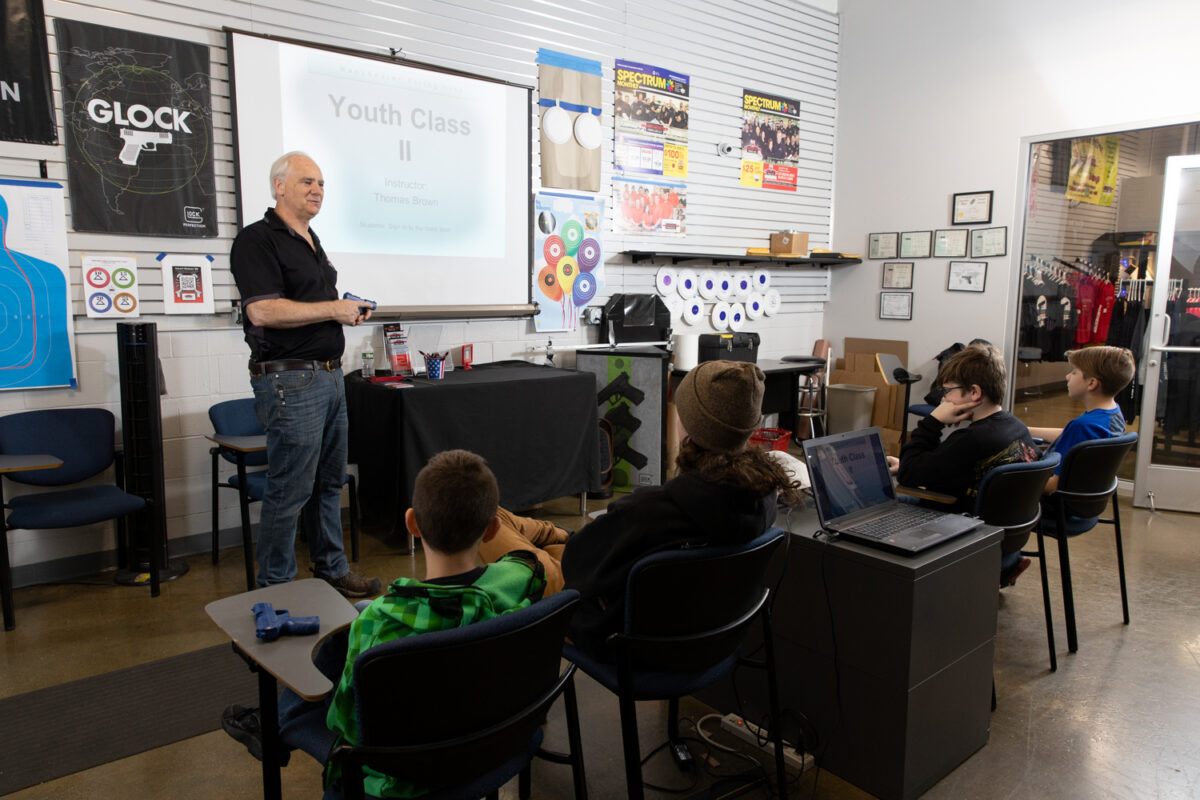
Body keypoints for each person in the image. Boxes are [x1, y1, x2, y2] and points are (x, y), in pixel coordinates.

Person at [223, 450, 547, 799]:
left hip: (402, 779)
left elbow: (348, 725)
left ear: (412, 524)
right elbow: (525, 561)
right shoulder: (519, 580)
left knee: (355, 625)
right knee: (360, 614)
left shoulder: (379, 625)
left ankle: (274, 724)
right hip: (495, 748)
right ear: (492, 529)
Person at [478, 359, 802, 657]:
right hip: (706, 639)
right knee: (526, 527)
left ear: (689, 424)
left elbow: (578, 566)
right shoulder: (762, 498)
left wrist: (567, 542)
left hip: (620, 637)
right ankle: (546, 531)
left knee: (485, 524)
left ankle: (527, 529)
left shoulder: (652, 511)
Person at [230, 151, 380, 596]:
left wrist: (344, 311)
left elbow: (307, 307)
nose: (316, 190)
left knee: (329, 482)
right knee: (290, 488)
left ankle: (331, 568)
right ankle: (276, 586)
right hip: (291, 380)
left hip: (330, 377)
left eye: (321, 184)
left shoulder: (312, 240)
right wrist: (334, 307)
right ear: (279, 187)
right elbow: (262, 309)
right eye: (306, 182)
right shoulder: (257, 240)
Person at [892, 343, 1041, 583]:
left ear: (974, 393)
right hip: (1002, 534)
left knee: (882, 502)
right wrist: (914, 463)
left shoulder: (972, 438)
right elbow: (951, 464)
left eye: (948, 391)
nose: (944, 399)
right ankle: (1007, 563)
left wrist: (933, 421)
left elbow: (908, 477)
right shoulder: (1016, 426)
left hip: (959, 528)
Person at [1029, 346, 1135, 494]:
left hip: (1053, 504)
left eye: (1074, 372)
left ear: (1091, 383)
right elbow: (1069, 435)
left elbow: (1053, 486)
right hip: (1081, 505)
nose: (1067, 377)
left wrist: (1016, 482)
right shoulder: (1112, 414)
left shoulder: (1082, 426)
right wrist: (1026, 430)